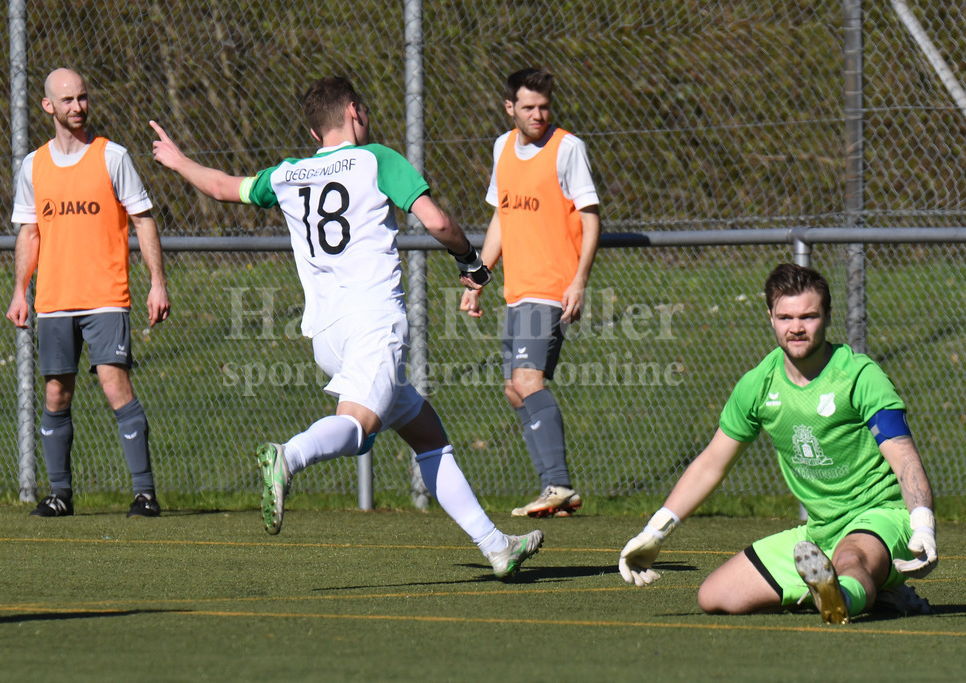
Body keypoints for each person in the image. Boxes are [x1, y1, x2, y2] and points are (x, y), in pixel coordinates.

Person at [149, 75, 543, 580]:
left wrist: (179, 161)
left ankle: (495, 546)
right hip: (373, 320)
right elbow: (437, 222)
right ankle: (287, 456)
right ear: (355, 111)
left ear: (315, 135)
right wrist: (470, 260)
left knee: (428, 435)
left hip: (326, 334)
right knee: (358, 429)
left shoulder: (289, 174)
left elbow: (227, 188)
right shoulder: (377, 158)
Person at [619, 263, 937, 624]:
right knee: (715, 596)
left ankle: (842, 596)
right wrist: (655, 531)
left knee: (851, 559)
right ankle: (873, 593)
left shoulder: (861, 376)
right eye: (785, 317)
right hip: (819, 531)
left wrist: (922, 523)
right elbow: (712, 463)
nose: (796, 328)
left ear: (828, 317)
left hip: (882, 519)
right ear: (770, 316)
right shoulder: (758, 384)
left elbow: (904, 457)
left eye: (809, 316)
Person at [6, 68, 171, 518]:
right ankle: (60, 494)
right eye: (67, 100)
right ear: (48, 107)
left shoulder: (112, 156)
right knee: (56, 394)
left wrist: (157, 282)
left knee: (114, 384)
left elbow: (143, 220)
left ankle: (144, 494)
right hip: (54, 301)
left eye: (82, 98)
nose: (77, 107)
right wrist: (20, 291)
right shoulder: (33, 165)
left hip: (105, 296)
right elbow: (30, 233)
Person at [460, 67, 600, 518]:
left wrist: (578, 280)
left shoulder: (567, 148)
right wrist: (481, 277)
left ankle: (557, 484)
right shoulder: (502, 147)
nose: (538, 114)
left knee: (527, 381)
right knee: (513, 389)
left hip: (550, 287)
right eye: (528, 107)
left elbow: (591, 218)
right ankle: (555, 490)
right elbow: (501, 216)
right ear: (510, 108)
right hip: (517, 290)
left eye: (544, 106)